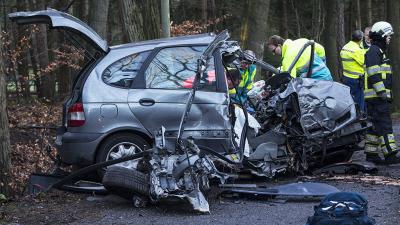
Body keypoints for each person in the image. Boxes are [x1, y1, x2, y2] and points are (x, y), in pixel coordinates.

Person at [364, 21, 400, 164]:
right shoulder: (374, 51)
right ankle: (390, 155)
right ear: (382, 36)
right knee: (384, 125)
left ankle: (371, 155)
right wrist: (382, 92)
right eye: (388, 36)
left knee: (374, 127)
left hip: (374, 97)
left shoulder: (376, 51)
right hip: (377, 97)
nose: (389, 39)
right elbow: (373, 74)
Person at [266, 35, 332, 80]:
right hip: (327, 76)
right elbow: (321, 49)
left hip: (317, 83)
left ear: (279, 46)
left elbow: (290, 80)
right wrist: (323, 64)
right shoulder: (301, 41)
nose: (273, 54)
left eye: (274, 51)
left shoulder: (288, 57)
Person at [340, 30, 366, 112]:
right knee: (359, 100)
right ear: (361, 39)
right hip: (355, 79)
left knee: (350, 99)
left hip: (346, 77)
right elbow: (363, 61)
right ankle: (361, 118)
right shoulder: (356, 50)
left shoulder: (345, 47)